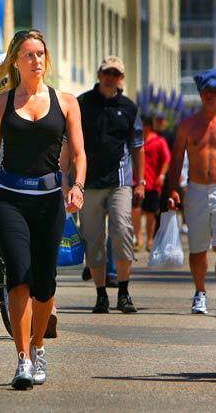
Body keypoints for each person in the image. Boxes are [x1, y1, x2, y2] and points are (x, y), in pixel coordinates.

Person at [0, 30, 86, 390]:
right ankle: (23, 358)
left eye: (40, 54)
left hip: (50, 202)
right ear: (16, 61)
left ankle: (38, 344)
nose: (36, 60)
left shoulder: (66, 103)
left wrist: (77, 187)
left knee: (45, 285)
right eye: (29, 54)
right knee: (19, 274)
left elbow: (79, 154)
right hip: (9, 199)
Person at [168, 68, 216, 317]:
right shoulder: (188, 124)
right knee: (198, 247)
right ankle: (200, 293)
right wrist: (173, 189)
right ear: (200, 93)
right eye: (206, 91)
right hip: (196, 189)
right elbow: (176, 159)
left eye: (215, 91)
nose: (210, 95)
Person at [78, 56, 145, 314]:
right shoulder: (82, 103)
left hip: (120, 182)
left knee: (121, 231)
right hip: (89, 183)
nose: (110, 78)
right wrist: (66, 179)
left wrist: (141, 181)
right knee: (93, 240)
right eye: (107, 73)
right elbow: (69, 142)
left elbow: (138, 147)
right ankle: (100, 295)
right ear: (99, 74)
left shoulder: (129, 108)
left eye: (116, 74)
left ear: (121, 79)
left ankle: (124, 293)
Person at [133, 115, 170, 252]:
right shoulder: (136, 141)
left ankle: (150, 239)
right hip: (136, 181)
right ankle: (138, 238)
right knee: (135, 211)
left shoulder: (159, 141)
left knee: (150, 213)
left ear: (147, 126)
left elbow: (167, 159)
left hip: (152, 182)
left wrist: (161, 175)